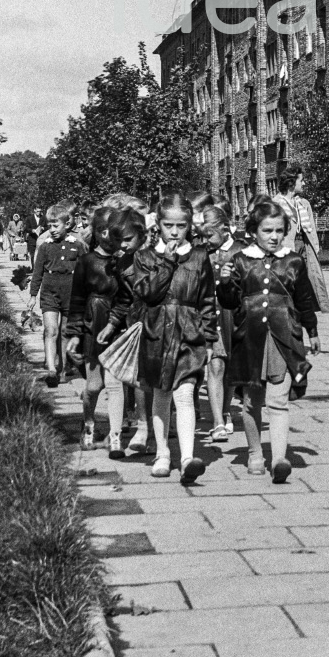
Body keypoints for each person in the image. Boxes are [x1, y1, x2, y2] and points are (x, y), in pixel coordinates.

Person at [217, 196, 320, 484]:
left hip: (284, 338)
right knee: (251, 400)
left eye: (279, 230)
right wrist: (224, 282)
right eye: (267, 231)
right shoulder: (240, 260)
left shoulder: (294, 261)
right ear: (254, 231)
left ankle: (279, 458)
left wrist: (312, 332)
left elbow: (305, 299)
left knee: (278, 399)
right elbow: (228, 302)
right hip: (249, 339)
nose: (274, 237)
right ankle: (254, 453)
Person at [130, 193, 217, 485]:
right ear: (159, 225)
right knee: (162, 394)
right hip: (157, 332)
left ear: (190, 225)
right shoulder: (145, 256)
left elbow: (207, 298)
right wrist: (167, 261)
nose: (175, 232)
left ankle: (188, 457)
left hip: (189, 332)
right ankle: (163, 454)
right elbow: (147, 293)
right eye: (169, 226)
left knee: (185, 394)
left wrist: (209, 334)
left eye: (181, 226)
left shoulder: (199, 255)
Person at [80, 201, 141, 457]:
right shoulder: (87, 261)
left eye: (111, 231)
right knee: (94, 386)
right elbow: (76, 300)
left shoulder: (124, 262)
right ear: (94, 232)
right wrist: (73, 333)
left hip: (118, 325)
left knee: (116, 383)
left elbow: (129, 297)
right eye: (101, 231)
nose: (107, 236)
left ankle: (116, 436)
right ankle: (89, 421)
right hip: (93, 325)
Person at [27, 201, 84, 386]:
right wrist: (33, 295)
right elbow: (37, 272)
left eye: (55, 225)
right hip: (49, 292)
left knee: (65, 331)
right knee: (50, 330)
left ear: (67, 224)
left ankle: (62, 370)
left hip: (71, 293)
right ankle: (51, 369)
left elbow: (86, 271)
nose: (51, 229)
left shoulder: (78, 245)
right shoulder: (45, 246)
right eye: (49, 226)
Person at [196, 202, 237, 442]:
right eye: (203, 236)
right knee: (216, 365)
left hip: (234, 315)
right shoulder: (201, 253)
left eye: (210, 235)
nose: (207, 240)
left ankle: (226, 409)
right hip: (211, 315)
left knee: (231, 369)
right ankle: (218, 422)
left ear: (224, 228)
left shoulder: (241, 250)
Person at [276, 165, 329, 326]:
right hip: (286, 251)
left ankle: (299, 325)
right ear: (291, 182)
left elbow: (311, 230)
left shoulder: (303, 204)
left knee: (305, 289)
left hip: (304, 250)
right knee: (287, 288)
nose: (304, 183)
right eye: (302, 180)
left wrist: (315, 249)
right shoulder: (276, 204)